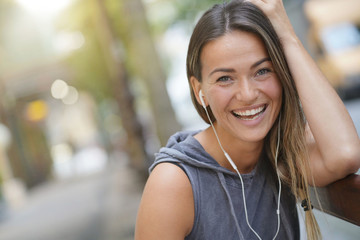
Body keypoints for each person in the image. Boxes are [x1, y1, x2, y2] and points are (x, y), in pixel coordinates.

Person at [135, 0, 360, 239]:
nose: (248, 94)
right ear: (200, 91)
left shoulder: (279, 155)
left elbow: (344, 154)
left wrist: (287, 35)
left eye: (262, 71)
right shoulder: (174, 183)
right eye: (225, 78)